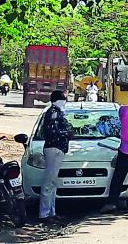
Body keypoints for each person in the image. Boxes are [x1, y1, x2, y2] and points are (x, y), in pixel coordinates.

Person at [39, 90, 73, 221]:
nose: (65, 101)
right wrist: (67, 133)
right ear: (58, 99)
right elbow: (53, 131)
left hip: (57, 148)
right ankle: (44, 213)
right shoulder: (53, 112)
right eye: (64, 98)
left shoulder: (57, 112)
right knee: (49, 182)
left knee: (53, 182)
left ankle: (51, 212)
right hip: (54, 148)